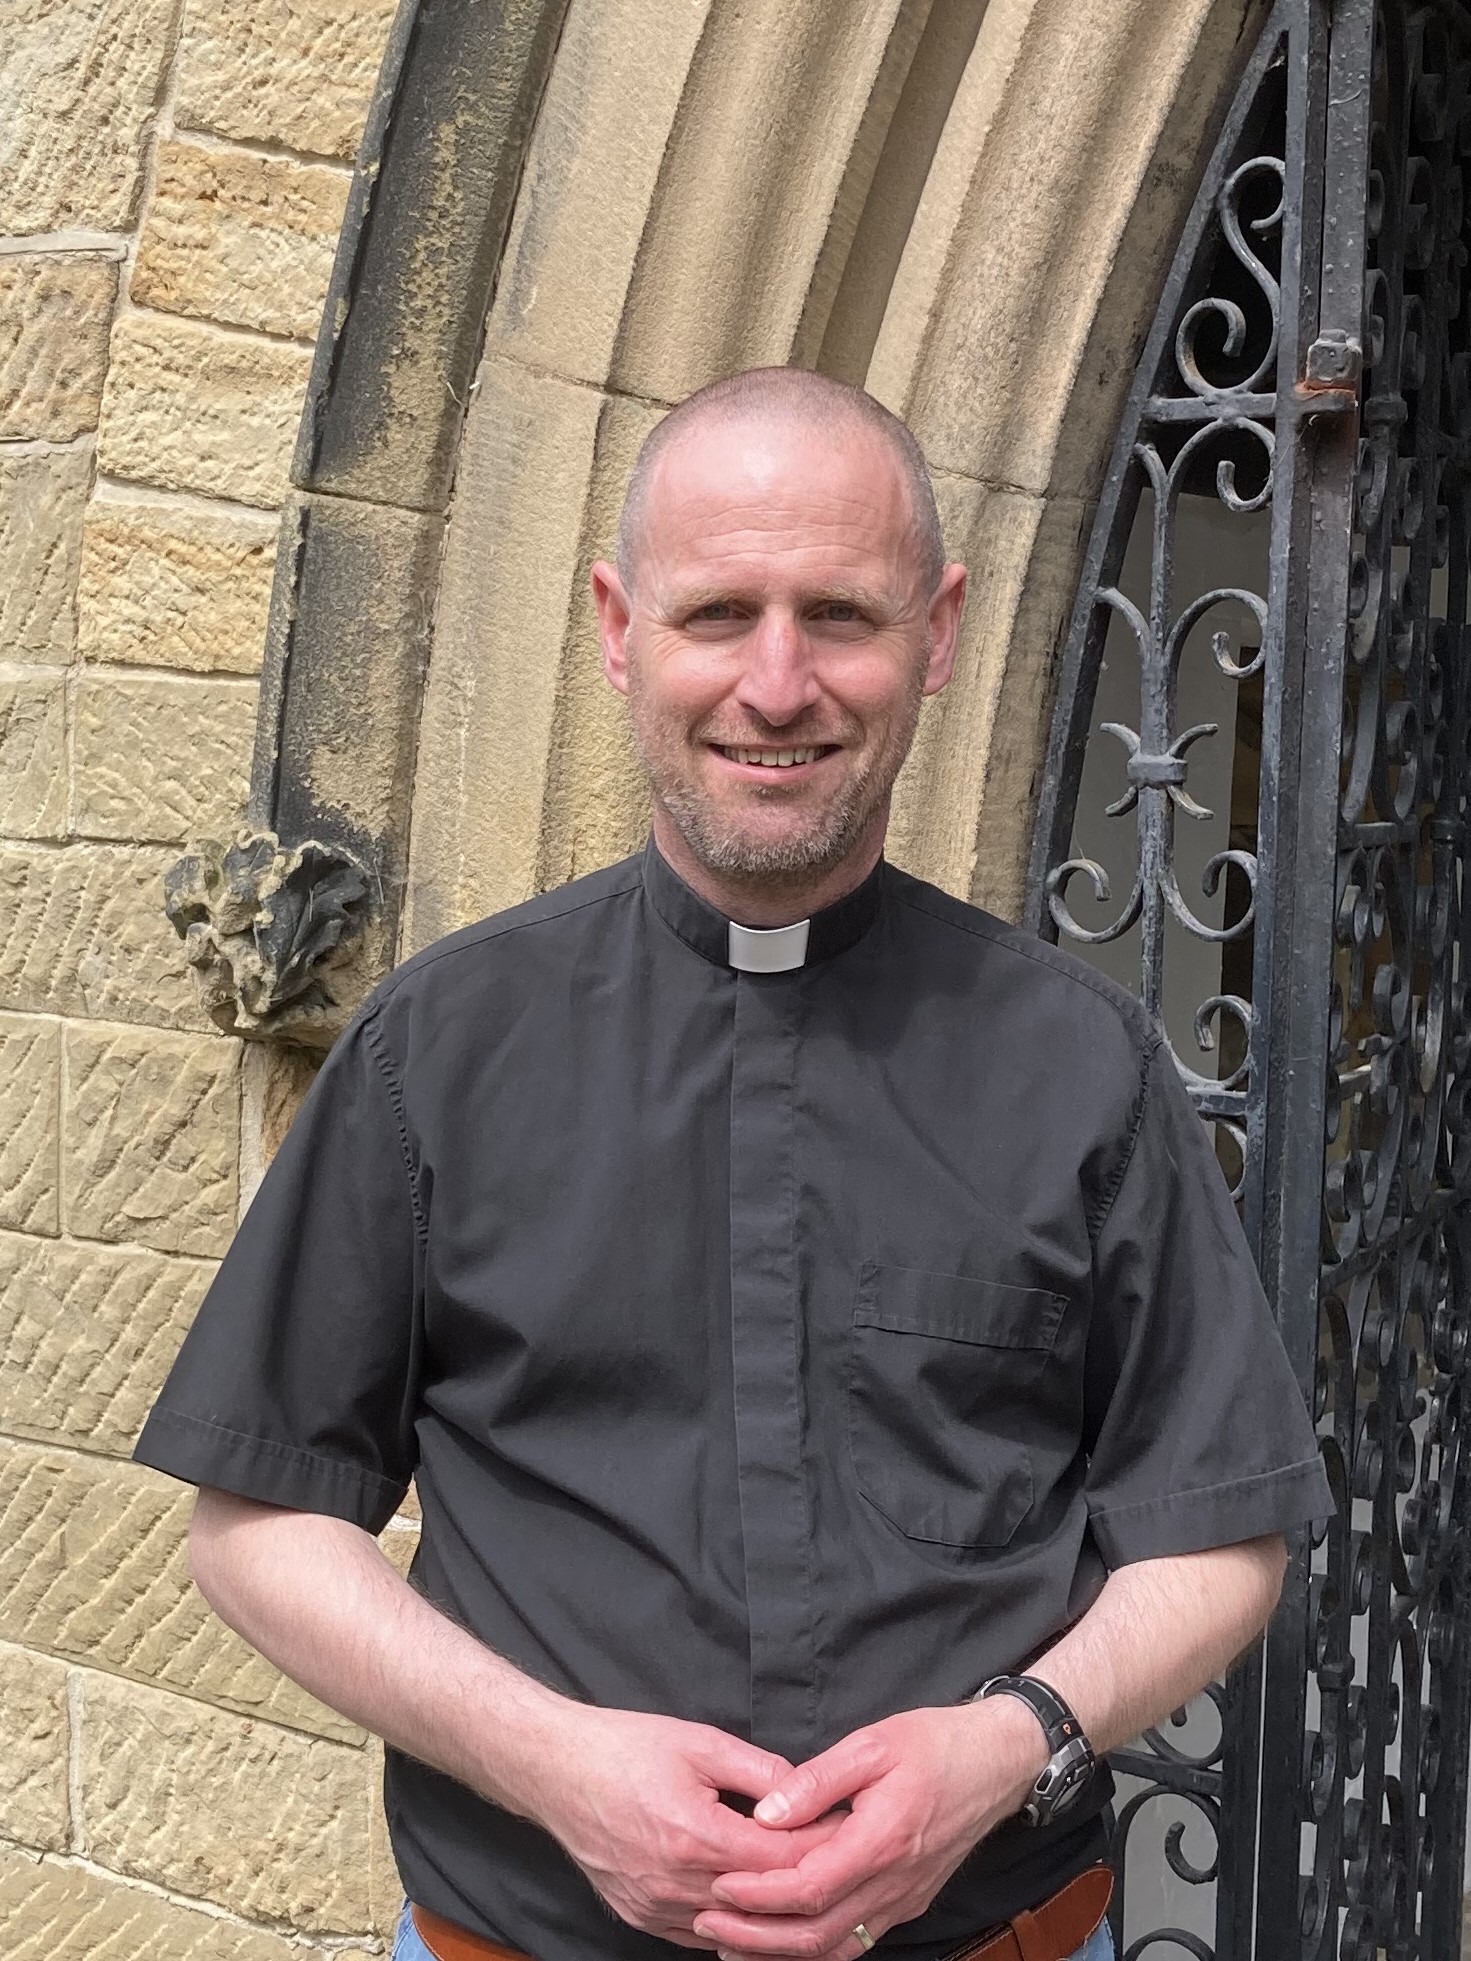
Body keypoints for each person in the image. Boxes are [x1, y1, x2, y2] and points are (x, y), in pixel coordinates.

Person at [134, 367, 1331, 1961]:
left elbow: (1220, 1527)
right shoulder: (440, 1051)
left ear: (941, 630)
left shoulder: (1082, 1066)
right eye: (719, 615)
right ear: (624, 629)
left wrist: (1008, 1740)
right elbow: (260, 1524)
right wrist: (557, 1766)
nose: (779, 683)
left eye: (839, 613)